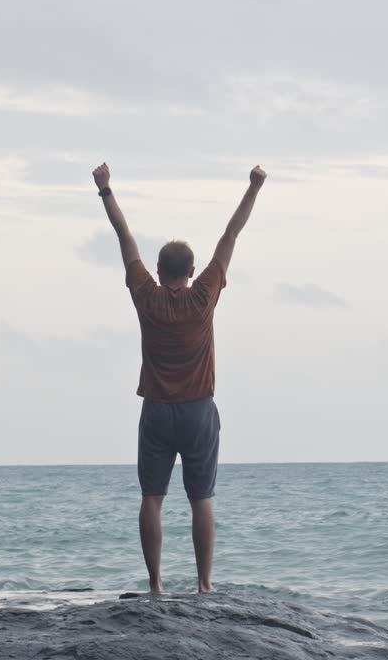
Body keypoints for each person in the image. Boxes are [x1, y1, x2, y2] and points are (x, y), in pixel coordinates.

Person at [92, 161, 266, 594]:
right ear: (190, 272)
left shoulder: (145, 295)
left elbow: (123, 236)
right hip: (197, 411)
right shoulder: (204, 297)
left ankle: (155, 585)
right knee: (201, 499)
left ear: (157, 268)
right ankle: (204, 585)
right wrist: (254, 187)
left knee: (153, 497)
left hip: (156, 411)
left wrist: (106, 190)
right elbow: (231, 234)